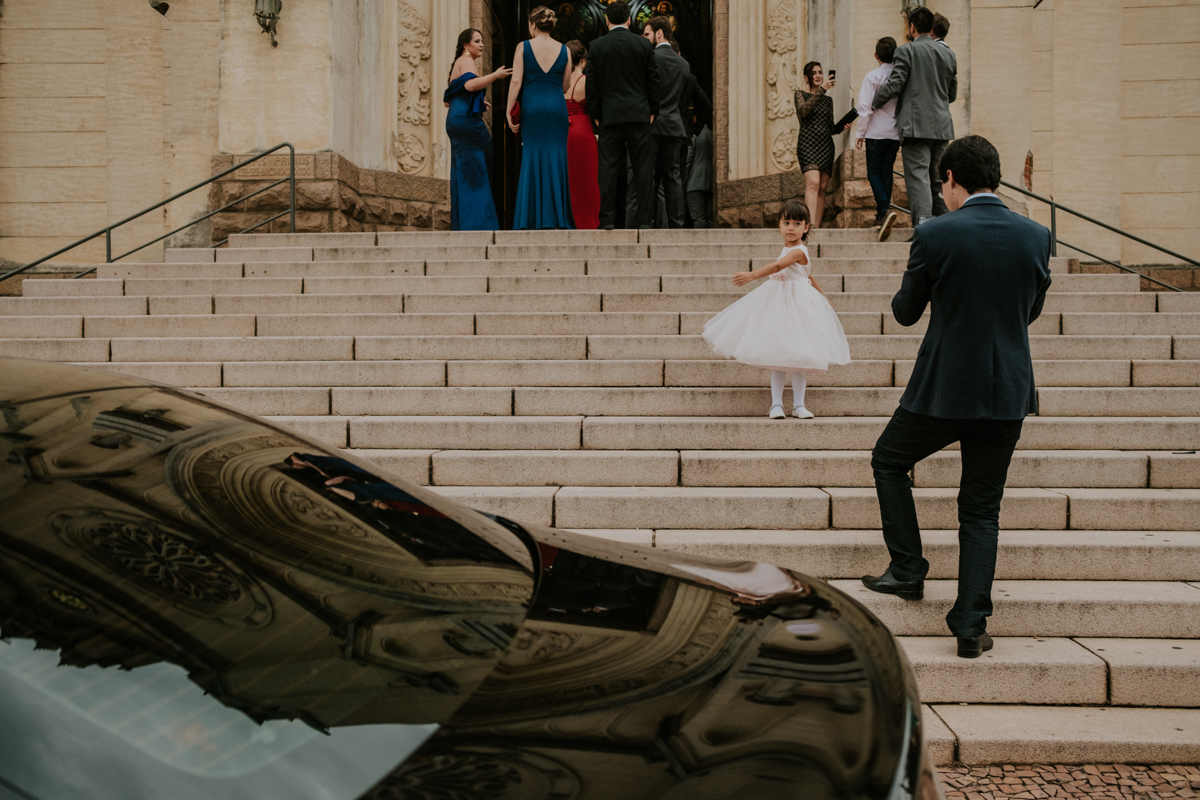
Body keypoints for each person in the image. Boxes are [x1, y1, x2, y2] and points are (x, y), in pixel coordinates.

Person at [860, 135, 1053, 659]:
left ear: (949, 179)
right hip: (1008, 388)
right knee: (982, 509)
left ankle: (907, 569)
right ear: (995, 176)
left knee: (888, 460)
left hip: (944, 388)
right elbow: (1029, 309)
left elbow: (905, 311)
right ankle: (970, 625)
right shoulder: (1037, 235)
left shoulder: (935, 233)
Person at [701, 199, 851, 420]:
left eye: (797, 223)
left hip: (798, 306)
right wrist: (822, 294)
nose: (791, 227)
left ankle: (799, 405)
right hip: (780, 305)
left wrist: (752, 275)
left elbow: (781, 267)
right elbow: (808, 275)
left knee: (801, 357)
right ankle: (776, 405)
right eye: (786, 222)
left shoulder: (799, 250)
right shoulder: (788, 249)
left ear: (806, 227)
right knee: (779, 356)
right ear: (779, 226)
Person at [872, 7, 957, 227]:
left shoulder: (906, 51)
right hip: (942, 127)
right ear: (931, 28)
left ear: (912, 27)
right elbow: (952, 94)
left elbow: (896, 83)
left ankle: (924, 232)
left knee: (918, 179)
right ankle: (948, 228)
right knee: (938, 183)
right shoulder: (949, 54)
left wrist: (873, 102)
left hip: (916, 125)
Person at [585, 0, 660, 230]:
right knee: (643, 168)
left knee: (607, 168)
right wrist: (652, 111)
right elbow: (653, 81)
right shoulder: (643, 44)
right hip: (639, 115)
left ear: (607, 20)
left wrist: (596, 116)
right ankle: (645, 220)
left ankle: (607, 220)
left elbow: (592, 85)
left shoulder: (597, 46)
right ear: (629, 20)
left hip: (609, 116)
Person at [506, 6, 574, 230]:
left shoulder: (523, 47)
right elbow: (565, 86)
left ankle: (531, 218)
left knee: (532, 156)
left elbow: (516, 81)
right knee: (556, 157)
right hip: (556, 107)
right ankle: (556, 218)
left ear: (533, 25)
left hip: (532, 106)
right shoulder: (565, 50)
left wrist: (508, 110)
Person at [444, 28, 512, 231]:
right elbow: (470, 86)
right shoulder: (466, 60)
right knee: (479, 164)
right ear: (466, 45)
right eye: (477, 41)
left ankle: (466, 223)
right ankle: (478, 224)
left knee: (465, 168)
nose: (481, 44)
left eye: (482, 41)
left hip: (457, 119)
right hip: (466, 122)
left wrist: (479, 102)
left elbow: (449, 101)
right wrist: (495, 75)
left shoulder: (458, 62)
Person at [644, 16, 690, 228]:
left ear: (659, 33)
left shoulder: (650, 58)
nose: (645, 39)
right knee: (673, 176)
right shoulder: (684, 64)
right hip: (674, 124)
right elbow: (682, 100)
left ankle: (649, 222)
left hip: (652, 125)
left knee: (649, 175)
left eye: (647, 34)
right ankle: (677, 223)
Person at [855, 37, 901, 241]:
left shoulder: (872, 77)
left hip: (875, 133)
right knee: (886, 171)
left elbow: (865, 107)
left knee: (873, 172)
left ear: (876, 56)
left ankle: (884, 209)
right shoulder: (901, 76)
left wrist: (860, 133)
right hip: (894, 133)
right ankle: (882, 212)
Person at [794, 62, 839, 228]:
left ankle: (817, 228)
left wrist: (843, 125)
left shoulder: (828, 100)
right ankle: (809, 225)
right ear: (807, 77)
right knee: (812, 182)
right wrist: (822, 90)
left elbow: (831, 127)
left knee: (822, 188)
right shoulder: (800, 94)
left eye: (820, 72)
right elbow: (804, 111)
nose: (819, 75)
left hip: (826, 146)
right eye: (815, 73)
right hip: (807, 145)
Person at [564, 39, 600, 229]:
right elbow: (595, 108)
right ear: (583, 60)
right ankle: (588, 219)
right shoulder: (586, 81)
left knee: (569, 177)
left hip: (564, 131)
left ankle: (568, 218)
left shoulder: (559, 82)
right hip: (583, 130)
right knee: (587, 177)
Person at [684, 72, 713, 228]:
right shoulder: (714, 136)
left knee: (698, 220)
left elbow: (688, 160)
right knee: (710, 220)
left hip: (694, 184)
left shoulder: (695, 136)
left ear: (694, 118)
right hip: (710, 182)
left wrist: (683, 181)